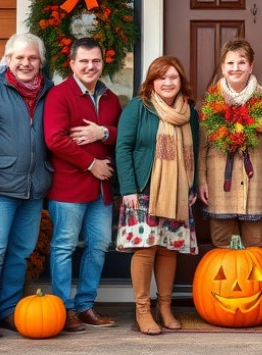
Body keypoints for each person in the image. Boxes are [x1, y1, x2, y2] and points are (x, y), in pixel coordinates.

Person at [0, 33, 54, 338]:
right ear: (7, 59)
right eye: (19, 57)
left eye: (32, 58)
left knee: (21, 252)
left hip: (34, 185)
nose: (25, 63)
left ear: (40, 61)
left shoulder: (49, 90)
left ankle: (7, 310)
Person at [115, 55, 200, 335]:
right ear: (152, 81)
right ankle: (142, 309)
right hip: (142, 189)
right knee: (146, 248)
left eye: (173, 77)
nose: (167, 82)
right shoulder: (138, 108)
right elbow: (123, 148)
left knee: (167, 249)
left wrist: (191, 186)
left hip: (177, 191)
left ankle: (164, 307)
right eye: (161, 77)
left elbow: (195, 153)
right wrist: (127, 188)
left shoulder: (190, 113)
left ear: (180, 82)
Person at [43, 38, 120, 332]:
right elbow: (55, 139)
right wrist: (91, 163)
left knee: (99, 245)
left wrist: (103, 132)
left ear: (103, 63)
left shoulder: (112, 98)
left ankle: (86, 305)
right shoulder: (60, 95)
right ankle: (64, 308)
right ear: (72, 64)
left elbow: (120, 135)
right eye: (84, 61)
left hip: (101, 192)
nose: (91, 66)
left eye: (96, 61)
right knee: (63, 247)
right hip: (68, 188)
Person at [198, 39, 262, 248]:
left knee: (254, 246)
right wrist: (201, 180)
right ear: (222, 67)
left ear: (250, 67)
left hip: (257, 186)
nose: (236, 68)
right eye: (230, 63)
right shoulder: (211, 100)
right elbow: (202, 147)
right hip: (219, 185)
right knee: (222, 244)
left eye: (241, 62)